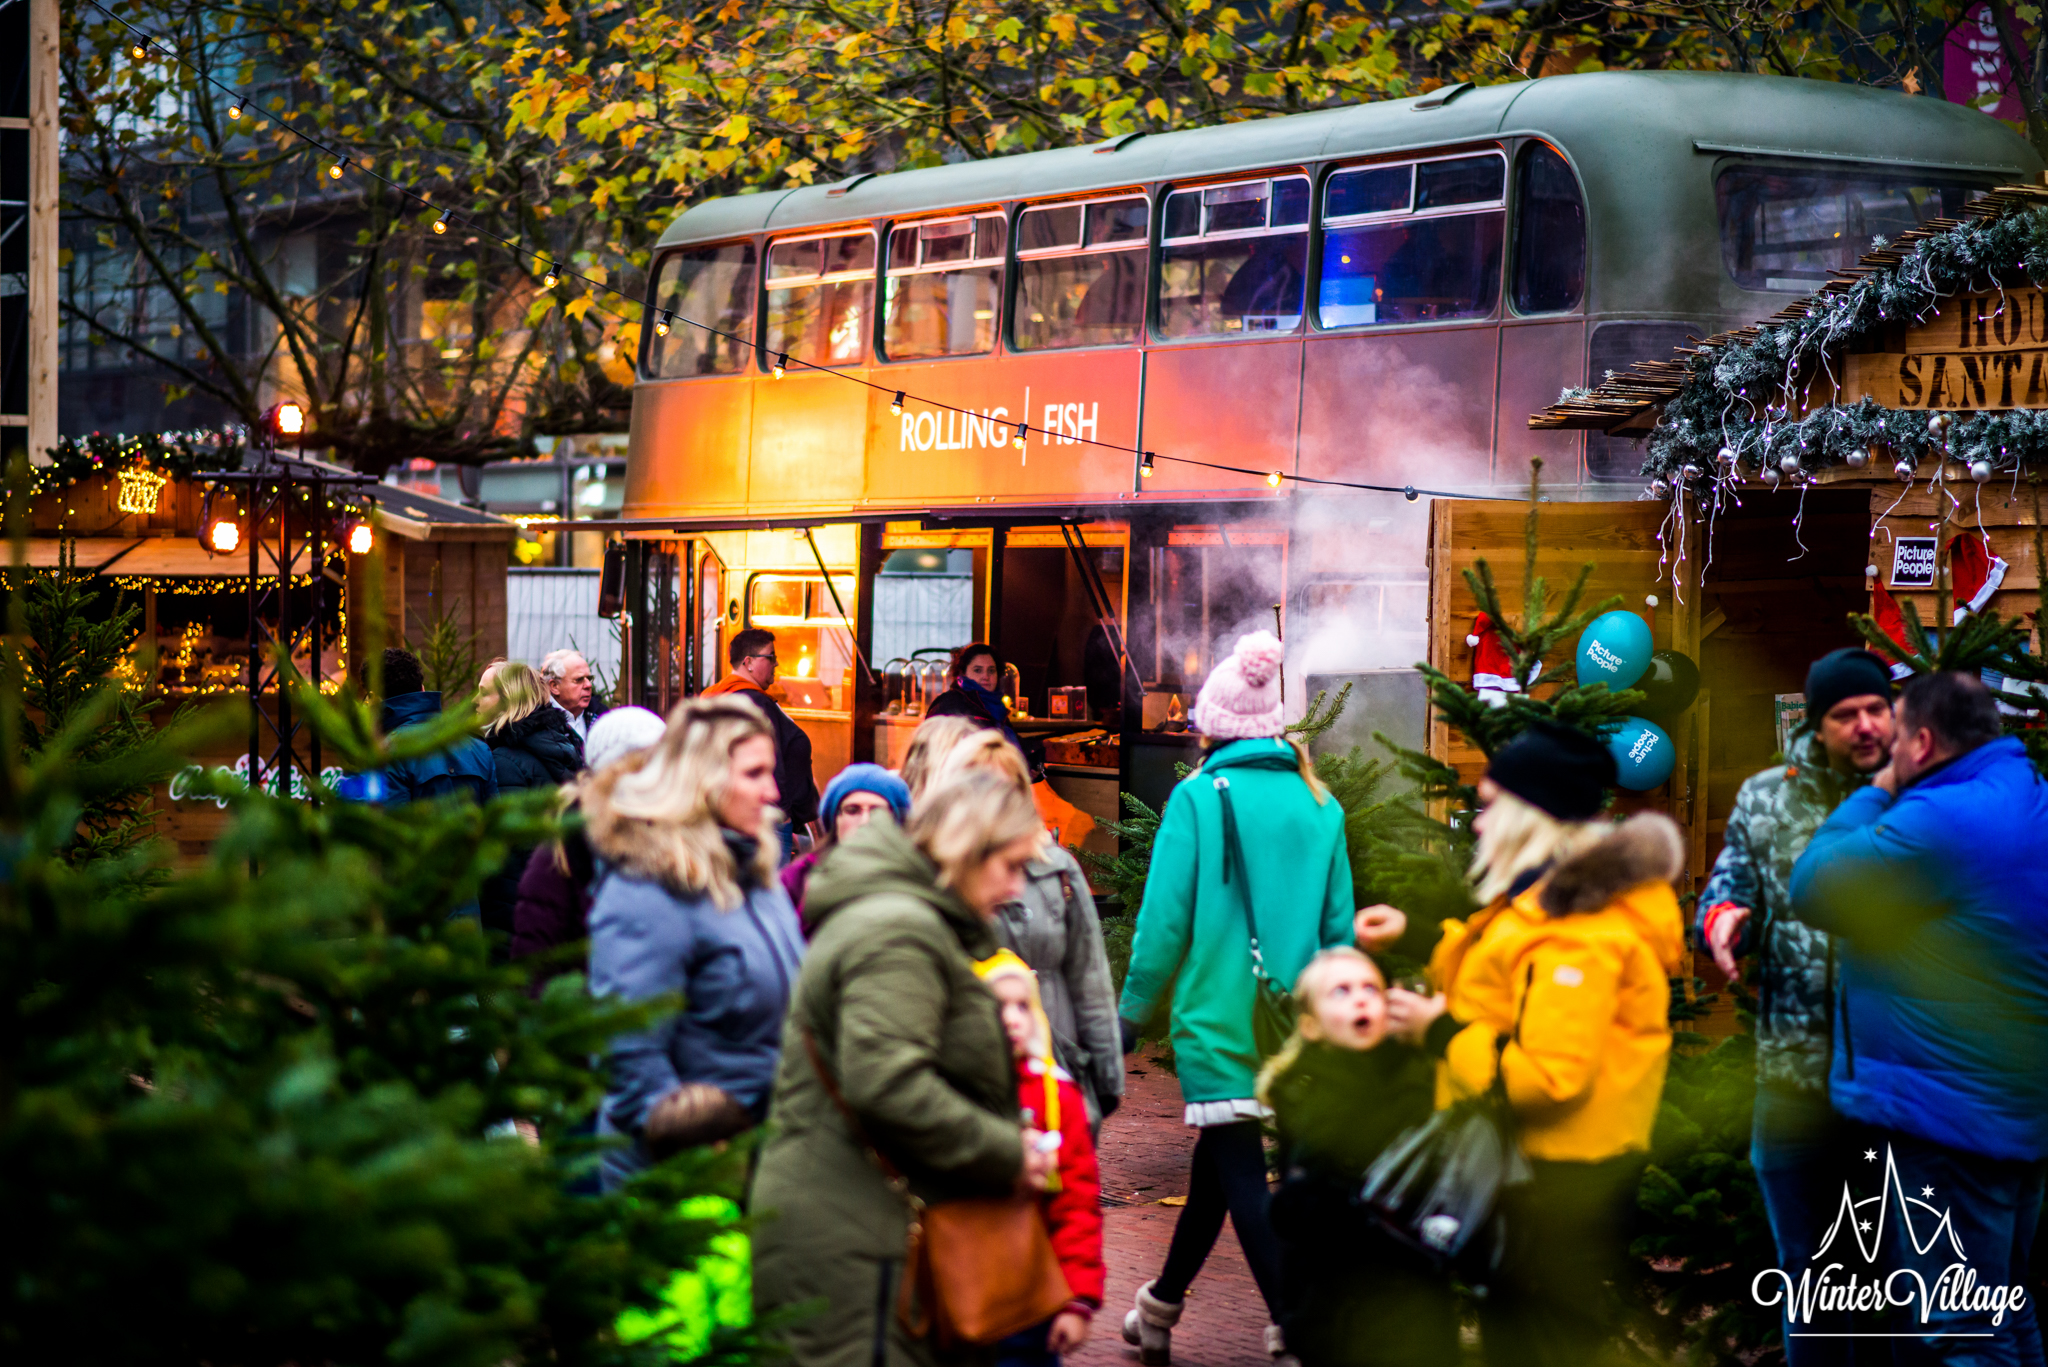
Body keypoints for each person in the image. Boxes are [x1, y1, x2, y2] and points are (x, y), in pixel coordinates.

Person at [1376, 723, 1684, 1367]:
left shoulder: (1583, 930)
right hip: (1538, 1180)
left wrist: (1437, 1032)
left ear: (1531, 817)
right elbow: (1506, 983)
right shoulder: (1552, 901)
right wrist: (1419, 935)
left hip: (1558, 1192)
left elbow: (1546, 1080)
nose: (1480, 825)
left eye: (1492, 806)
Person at [751, 768, 1059, 1367]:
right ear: (968, 852)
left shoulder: (908, 920)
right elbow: (888, 1082)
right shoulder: (900, 928)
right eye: (1012, 866)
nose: (1019, 887)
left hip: (870, 1229)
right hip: (857, 1245)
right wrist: (1008, 1150)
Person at [1791, 671, 2048, 1362]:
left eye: (1897, 731)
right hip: (2004, 1102)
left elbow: (1814, 883)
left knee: (1964, 1329)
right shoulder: (2021, 793)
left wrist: (1873, 793)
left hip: (1953, 1117)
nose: (1886, 746)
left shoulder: (1942, 819)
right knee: (2007, 1313)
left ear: (1924, 742)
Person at [1116, 631, 1355, 1367]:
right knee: (1219, 1170)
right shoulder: (1323, 804)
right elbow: (1339, 930)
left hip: (1218, 1021)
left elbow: (1162, 926)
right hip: (1299, 1022)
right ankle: (1160, 1304)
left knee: (1242, 1172)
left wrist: (1127, 1016)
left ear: (1209, 726)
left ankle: (1292, 1325)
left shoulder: (1195, 798)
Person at [1697, 647, 1894, 1364]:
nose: (1866, 725)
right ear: (1818, 723)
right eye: (1847, 714)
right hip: (1792, 1074)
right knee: (1808, 1273)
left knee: (1887, 1281)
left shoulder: (1918, 795)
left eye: (1878, 708)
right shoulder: (1766, 796)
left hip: (1891, 1079)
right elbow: (1726, 888)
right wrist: (1721, 920)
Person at [583, 697, 808, 1190]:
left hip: (764, 1156)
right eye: (754, 774)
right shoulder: (650, 884)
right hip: (684, 1175)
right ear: (702, 779)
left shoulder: (754, 870)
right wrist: (702, 1151)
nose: (772, 791)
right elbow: (628, 1048)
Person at [908, 720, 1125, 1132]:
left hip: (1059, 1071)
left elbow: (1089, 977)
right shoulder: (939, 878)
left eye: (1006, 792)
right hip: (977, 1087)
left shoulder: (1055, 869)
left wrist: (1104, 1082)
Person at [1260, 947, 1453, 1367]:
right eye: (1341, 991)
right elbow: (1295, 1226)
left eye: (1371, 988)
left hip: (1409, 1297)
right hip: (1334, 1301)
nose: (1361, 998)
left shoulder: (1415, 1077)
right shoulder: (1302, 1094)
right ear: (1310, 1026)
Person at [976, 950, 1105, 1367]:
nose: (1012, 1018)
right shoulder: (955, 1093)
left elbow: (1077, 1204)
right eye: (997, 1006)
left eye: (1022, 1005)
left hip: (1035, 1298)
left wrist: (1077, 1300)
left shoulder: (1059, 1099)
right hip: (967, 1285)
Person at [511, 704, 667, 972]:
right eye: (645, 765)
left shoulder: (682, 837)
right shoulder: (565, 847)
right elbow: (534, 961)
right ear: (612, 774)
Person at [480, 661, 585, 942]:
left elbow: (510, 851)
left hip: (516, 909)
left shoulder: (504, 761)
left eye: (483, 692)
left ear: (508, 700)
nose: (475, 701)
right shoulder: (560, 743)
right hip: (555, 896)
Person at [706, 627, 821, 852]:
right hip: (770, 820)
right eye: (771, 657)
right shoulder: (756, 702)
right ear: (748, 662)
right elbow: (770, 761)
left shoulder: (723, 696)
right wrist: (783, 819)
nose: (776, 664)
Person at [780, 763, 912, 924]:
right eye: (852, 810)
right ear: (834, 818)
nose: (865, 821)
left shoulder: (914, 880)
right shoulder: (797, 879)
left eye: (877, 811)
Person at [375, 646, 497, 806]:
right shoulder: (479, 748)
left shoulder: (389, 752)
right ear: (423, 689)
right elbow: (495, 819)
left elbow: (394, 826)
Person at [926, 642, 1045, 775]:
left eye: (991, 670)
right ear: (963, 673)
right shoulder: (950, 705)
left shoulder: (996, 708)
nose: (986, 676)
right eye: (978, 670)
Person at [541, 648, 608, 744]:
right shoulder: (539, 724)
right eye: (579, 680)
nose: (588, 685)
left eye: (589, 678)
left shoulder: (601, 716)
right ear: (554, 686)